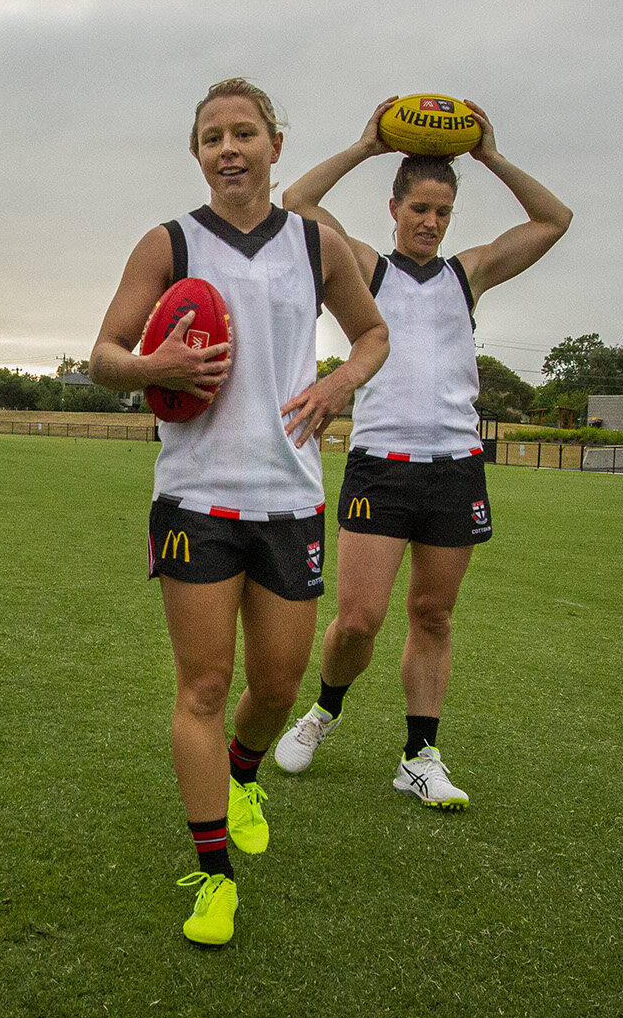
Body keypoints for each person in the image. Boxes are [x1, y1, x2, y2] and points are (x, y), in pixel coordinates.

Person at [90, 78, 388, 946]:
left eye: (245, 133)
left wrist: (338, 384)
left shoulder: (316, 243)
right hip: (195, 497)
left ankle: (245, 771)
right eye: (213, 136)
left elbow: (372, 334)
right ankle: (213, 872)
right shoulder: (169, 242)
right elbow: (105, 354)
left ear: (274, 146)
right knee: (205, 685)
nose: (229, 148)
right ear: (197, 154)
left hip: (290, 496)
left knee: (279, 683)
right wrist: (158, 367)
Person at [275, 100, 571, 807]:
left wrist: (490, 156)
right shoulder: (368, 268)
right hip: (381, 465)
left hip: (455, 468)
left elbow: (553, 220)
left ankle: (419, 753)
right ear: (395, 207)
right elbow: (298, 200)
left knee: (433, 615)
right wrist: (367, 144)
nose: (431, 222)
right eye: (420, 208)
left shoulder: (466, 275)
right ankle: (325, 708)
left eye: (442, 211)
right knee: (358, 620)